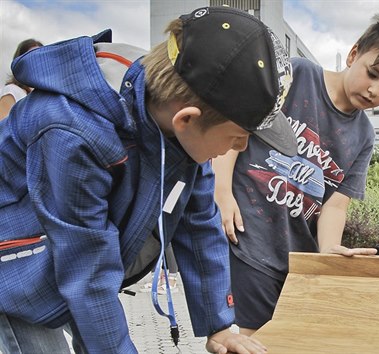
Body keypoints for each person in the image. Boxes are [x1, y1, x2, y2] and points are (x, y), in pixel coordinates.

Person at [0, 6, 297, 354]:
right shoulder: (72, 131)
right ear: (187, 119)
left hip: (77, 254)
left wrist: (219, 325)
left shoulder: (177, 114)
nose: (242, 148)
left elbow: (200, 222)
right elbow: (89, 276)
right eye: (238, 136)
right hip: (16, 266)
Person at [213, 11, 379, 335]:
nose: (374, 91)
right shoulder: (298, 75)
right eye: (372, 74)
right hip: (248, 237)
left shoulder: (364, 136)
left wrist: (327, 252)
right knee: (248, 339)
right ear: (354, 54)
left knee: (277, 341)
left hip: (296, 260)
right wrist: (222, 191)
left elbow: (335, 205)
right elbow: (238, 124)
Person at [0, 38, 43, 119]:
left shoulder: (42, 97)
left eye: (40, 57)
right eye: (31, 57)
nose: (36, 62)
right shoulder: (12, 91)